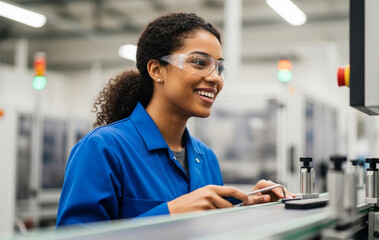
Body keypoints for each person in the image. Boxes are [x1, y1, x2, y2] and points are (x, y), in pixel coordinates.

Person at [56, 12, 293, 227]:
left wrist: (244, 209)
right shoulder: (103, 149)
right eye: (200, 63)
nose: (215, 78)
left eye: (219, 68)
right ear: (156, 70)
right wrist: (169, 214)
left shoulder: (205, 157)